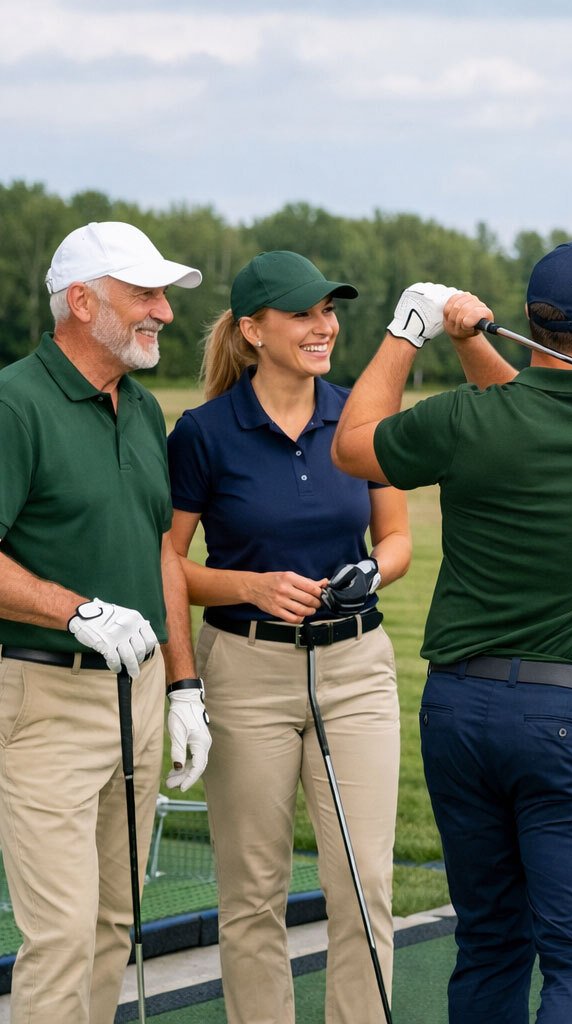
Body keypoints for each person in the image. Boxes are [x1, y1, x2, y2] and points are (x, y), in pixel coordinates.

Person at [332, 238, 572, 1024]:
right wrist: (470, 346)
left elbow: (353, 445)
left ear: (529, 320)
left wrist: (412, 330)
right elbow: (534, 405)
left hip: (460, 713)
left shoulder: (468, 419)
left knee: (489, 943)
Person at [166, 250, 410, 1024]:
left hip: (358, 670)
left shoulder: (361, 417)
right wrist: (250, 586)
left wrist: (371, 571)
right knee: (252, 896)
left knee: (365, 885)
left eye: (328, 311)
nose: (323, 326)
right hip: (244, 673)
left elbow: (398, 540)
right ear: (253, 330)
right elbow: (168, 565)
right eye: (303, 313)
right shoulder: (203, 433)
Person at [0, 221, 212, 1022]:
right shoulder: (14, 403)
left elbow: (162, 551)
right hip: (45, 699)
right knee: (60, 933)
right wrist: (75, 609)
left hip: (140, 694)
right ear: (83, 303)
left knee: (113, 923)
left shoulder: (144, 409)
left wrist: (184, 685)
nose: (164, 311)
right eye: (145, 294)